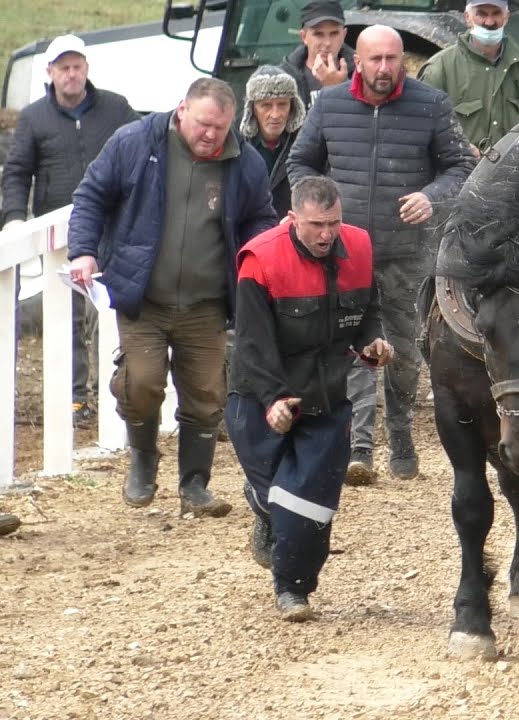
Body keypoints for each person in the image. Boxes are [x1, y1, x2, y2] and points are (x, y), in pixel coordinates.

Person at [67, 78, 277, 516]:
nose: (210, 135)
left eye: (220, 128)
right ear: (182, 110)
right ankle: (143, 459)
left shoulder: (245, 162)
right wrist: (84, 251)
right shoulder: (135, 142)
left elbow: (261, 217)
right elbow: (91, 195)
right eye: (203, 124)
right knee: (140, 382)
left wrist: (255, 261)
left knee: (206, 392)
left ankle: (195, 484)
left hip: (207, 301)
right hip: (144, 296)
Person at [288, 25, 475, 485]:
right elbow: (300, 163)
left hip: (407, 250)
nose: (386, 68)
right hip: (346, 251)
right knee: (354, 347)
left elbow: (462, 165)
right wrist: (320, 208)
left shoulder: (431, 104)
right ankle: (360, 448)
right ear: (359, 60)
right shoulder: (329, 106)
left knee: (406, 351)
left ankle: (402, 433)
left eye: (394, 59)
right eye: (376, 59)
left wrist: (433, 196)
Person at [226, 176, 392, 621]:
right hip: (258, 397)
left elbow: (367, 311)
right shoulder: (260, 260)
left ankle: (293, 590)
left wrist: (373, 342)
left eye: (334, 223)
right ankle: (262, 502)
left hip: (325, 399)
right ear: (292, 218)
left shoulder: (358, 247)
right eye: (316, 225)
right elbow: (252, 344)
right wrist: (273, 400)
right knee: (277, 497)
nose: (327, 235)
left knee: (307, 507)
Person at [1, 34, 138, 427]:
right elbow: (16, 172)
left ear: (86, 69)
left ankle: (114, 390)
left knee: (109, 310)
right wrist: (14, 216)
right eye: (64, 67)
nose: (71, 74)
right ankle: (76, 398)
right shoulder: (33, 118)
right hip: (57, 233)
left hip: (112, 226)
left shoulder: (116, 108)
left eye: (77, 66)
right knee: (69, 314)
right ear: (50, 73)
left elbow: (142, 150)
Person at [419, 0, 519, 155]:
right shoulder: (439, 69)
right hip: (460, 172)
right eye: (481, 14)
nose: (489, 22)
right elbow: (421, 130)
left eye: (496, 13)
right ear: (467, 17)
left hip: (513, 174)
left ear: (506, 17)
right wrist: (461, 148)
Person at [240, 65, 307, 217]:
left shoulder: (306, 142)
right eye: (266, 105)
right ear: (252, 108)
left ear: (292, 106)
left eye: (282, 104)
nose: (275, 114)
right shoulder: (236, 144)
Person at [281, 0, 355, 109]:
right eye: (318, 34)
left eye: (334, 33)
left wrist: (339, 87)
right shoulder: (284, 77)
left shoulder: (361, 72)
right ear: (304, 37)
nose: (327, 43)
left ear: (344, 35)